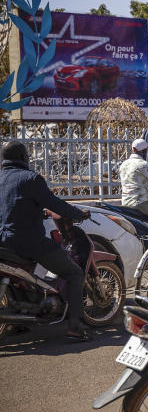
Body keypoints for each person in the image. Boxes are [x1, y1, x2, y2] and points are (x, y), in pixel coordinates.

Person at [0, 141, 90, 340]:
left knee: (24, 277)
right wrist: (77, 214)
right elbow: (55, 203)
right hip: (27, 242)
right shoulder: (31, 178)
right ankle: (75, 327)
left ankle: (18, 321)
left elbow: (12, 206)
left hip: (3, 242)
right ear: (25, 158)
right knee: (74, 273)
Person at [118, 139, 148, 221]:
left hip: (125, 202)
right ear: (144, 151)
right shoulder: (143, 164)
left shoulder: (124, 164)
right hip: (140, 203)